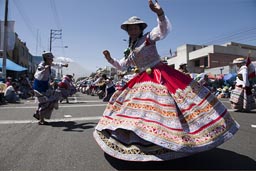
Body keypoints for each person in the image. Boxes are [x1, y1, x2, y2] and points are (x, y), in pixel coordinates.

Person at [93, 0, 239, 161]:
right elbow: (121, 66)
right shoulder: (130, 49)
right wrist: (109, 58)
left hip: (159, 75)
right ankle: (143, 141)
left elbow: (162, 31)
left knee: (165, 108)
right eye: (130, 28)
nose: (132, 30)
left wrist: (159, 13)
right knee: (138, 110)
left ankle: (169, 142)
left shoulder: (149, 38)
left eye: (135, 27)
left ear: (140, 28)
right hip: (141, 79)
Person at [33, 51, 68, 125]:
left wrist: (64, 65)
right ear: (46, 58)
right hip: (39, 87)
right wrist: (43, 70)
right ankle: (41, 119)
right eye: (51, 59)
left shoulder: (49, 64)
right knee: (47, 102)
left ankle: (38, 114)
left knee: (48, 100)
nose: (52, 60)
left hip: (45, 86)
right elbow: (37, 74)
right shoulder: (41, 65)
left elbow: (56, 64)